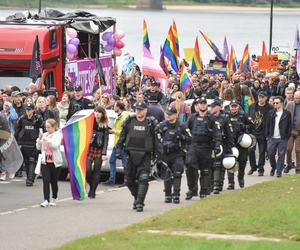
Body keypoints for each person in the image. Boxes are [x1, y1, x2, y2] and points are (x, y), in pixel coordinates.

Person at [116, 102, 160, 212]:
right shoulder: (130, 121)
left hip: (145, 155)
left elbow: (157, 140)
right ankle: (137, 197)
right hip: (131, 154)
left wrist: (159, 156)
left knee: (143, 179)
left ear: (146, 110)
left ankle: (140, 202)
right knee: (128, 181)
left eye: (141, 109)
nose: (139, 111)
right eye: (137, 109)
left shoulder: (151, 123)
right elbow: (122, 135)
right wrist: (118, 149)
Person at [185, 97, 222, 199]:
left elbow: (217, 133)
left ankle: (204, 191)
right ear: (197, 105)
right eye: (200, 103)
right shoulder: (192, 118)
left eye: (204, 103)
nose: (202, 105)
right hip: (194, 146)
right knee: (190, 168)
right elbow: (185, 129)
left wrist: (217, 145)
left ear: (206, 105)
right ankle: (192, 189)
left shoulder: (211, 118)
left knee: (205, 171)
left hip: (206, 147)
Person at [156, 107, 191, 204]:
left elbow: (190, 139)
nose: (168, 116)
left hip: (177, 153)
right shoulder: (162, 125)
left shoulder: (182, 126)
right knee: (166, 174)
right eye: (167, 114)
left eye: (170, 114)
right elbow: (155, 137)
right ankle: (167, 195)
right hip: (165, 154)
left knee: (177, 174)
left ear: (176, 115)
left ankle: (176, 195)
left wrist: (181, 137)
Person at [36, 119, 63, 207]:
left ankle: (54, 197)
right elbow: (38, 147)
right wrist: (39, 139)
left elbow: (55, 146)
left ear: (54, 127)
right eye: (46, 127)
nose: (47, 129)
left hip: (55, 162)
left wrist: (47, 139)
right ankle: (46, 200)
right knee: (46, 180)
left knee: (54, 181)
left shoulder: (58, 135)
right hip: (45, 161)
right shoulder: (44, 135)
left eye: (49, 127)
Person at [210, 98, 234, 193]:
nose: (212, 108)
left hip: (223, 143)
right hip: (212, 143)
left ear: (219, 107)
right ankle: (212, 184)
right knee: (212, 164)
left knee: (220, 164)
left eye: (214, 107)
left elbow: (229, 133)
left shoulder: (224, 118)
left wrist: (231, 146)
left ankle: (218, 184)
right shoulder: (210, 117)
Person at [227, 100, 253, 189]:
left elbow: (252, 126)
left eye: (235, 106)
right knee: (230, 161)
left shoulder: (244, 115)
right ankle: (231, 182)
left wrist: (244, 127)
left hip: (242, 143)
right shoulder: (226, 116)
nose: (234, 108)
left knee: (242, 162)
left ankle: (240, 178)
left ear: (238, 106)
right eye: (232, 106)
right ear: (230, 107)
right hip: (230, 143)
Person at [15, 103, 43, 186]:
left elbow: (42, 129)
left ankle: (30, 179)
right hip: (23, 143)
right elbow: (18, 130)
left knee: (32, 160)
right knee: (26, 161)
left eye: (29, 109)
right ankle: (29, 177)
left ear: (33, 110)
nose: (28, 111)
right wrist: (15, 141)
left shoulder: (38, 119)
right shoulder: (22, 118)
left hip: (34, 143)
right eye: (27, 110)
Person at [248, 91, 273, 176]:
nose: (260, 99)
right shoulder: (252, 106)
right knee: (251, 150)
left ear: (266, 98)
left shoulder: (270, 108)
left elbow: (271, 121)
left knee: (262, 151)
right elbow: (248, 118)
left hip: (263, 132)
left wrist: (269, 133)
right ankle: (253, 166)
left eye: (262, 97)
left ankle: (260, 169)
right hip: (253, 132)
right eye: (259, 97)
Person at [104, 101, 130, 185]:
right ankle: (112, 179)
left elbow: (124, 131)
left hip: (122, 143)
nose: (113, 108)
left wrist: (113, 131)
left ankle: (127, 180)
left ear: (118, 107)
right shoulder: (120, 116)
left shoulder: (123, 117)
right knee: (112, 161)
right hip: (117, 144)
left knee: (125, 163)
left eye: (115, 106)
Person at [266, 96, 292, 177]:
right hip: (272, 137)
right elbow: (267, 124)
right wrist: (267, 135)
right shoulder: (271, 113)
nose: (275, 104)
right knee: (270, 154)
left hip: (282, 138)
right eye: (274, 103)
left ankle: (279, 171)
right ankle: (274, 167)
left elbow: (289, 125)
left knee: (281, 155)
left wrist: (287, 135)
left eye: (277, 103)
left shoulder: (287, 113)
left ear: (281, 103)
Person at [86, 106, 109, 198]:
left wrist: (104, 153)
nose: (97, 113)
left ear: (102, 114)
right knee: (87, 170)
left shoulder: (105, 124)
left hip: (99, 149)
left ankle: (92, 191)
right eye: (96, 112)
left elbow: (106, 140)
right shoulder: (90, 122)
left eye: (99, 112)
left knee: (97, 170)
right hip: (89, 148)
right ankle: (92, 185)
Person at [285, 91, 300, 174]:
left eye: (299, 98)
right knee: (288, 149)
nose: (297, 100)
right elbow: (285, 115)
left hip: (299, 132)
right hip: (290, 130)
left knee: (298, 150)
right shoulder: (290, 104)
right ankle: (289, 164)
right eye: (296, 98)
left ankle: (298, 167)